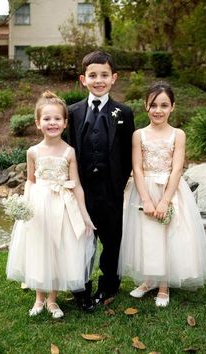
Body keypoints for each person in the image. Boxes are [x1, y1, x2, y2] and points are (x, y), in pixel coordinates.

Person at [118, 81, 206, 307]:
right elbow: (137, 168)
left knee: (167, 236)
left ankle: (164, 285)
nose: (158, 110)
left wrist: (164, 201)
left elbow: (177, 168)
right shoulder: (138, 135)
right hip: (144, 189)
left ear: (173, 107)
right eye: (153, 105)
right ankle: (149, 279)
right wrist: (146, 199)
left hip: (170, 190)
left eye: (164, 105)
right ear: (145, 106)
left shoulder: (177, 134)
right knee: (147, 236)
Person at [6, 91, 95, 318]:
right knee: (39, 248)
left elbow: (76, 186)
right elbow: (30, 180)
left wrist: (84, 216)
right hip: (39, 206)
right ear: (38, 123)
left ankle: (53, 300)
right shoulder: (33, 151)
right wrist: (26, 204)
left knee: (58, 249)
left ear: (65, 123)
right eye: (46, 119)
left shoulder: (69, 151)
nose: (52, 123)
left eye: (57, 119)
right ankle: (39, 298)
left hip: (63, 206)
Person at [68, 50, 135, 310]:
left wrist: (117, 184)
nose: (99, 80)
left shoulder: (124, 112)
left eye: (104, 75)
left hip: (111, 190)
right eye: (93, 75)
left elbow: (129, 153)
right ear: (83, 79)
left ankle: (108, 285)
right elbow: (69, 148)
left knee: (111, 239)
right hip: (82, 190)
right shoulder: (72, 112)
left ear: (114, 78)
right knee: (83, 238)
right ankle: (81, 286)